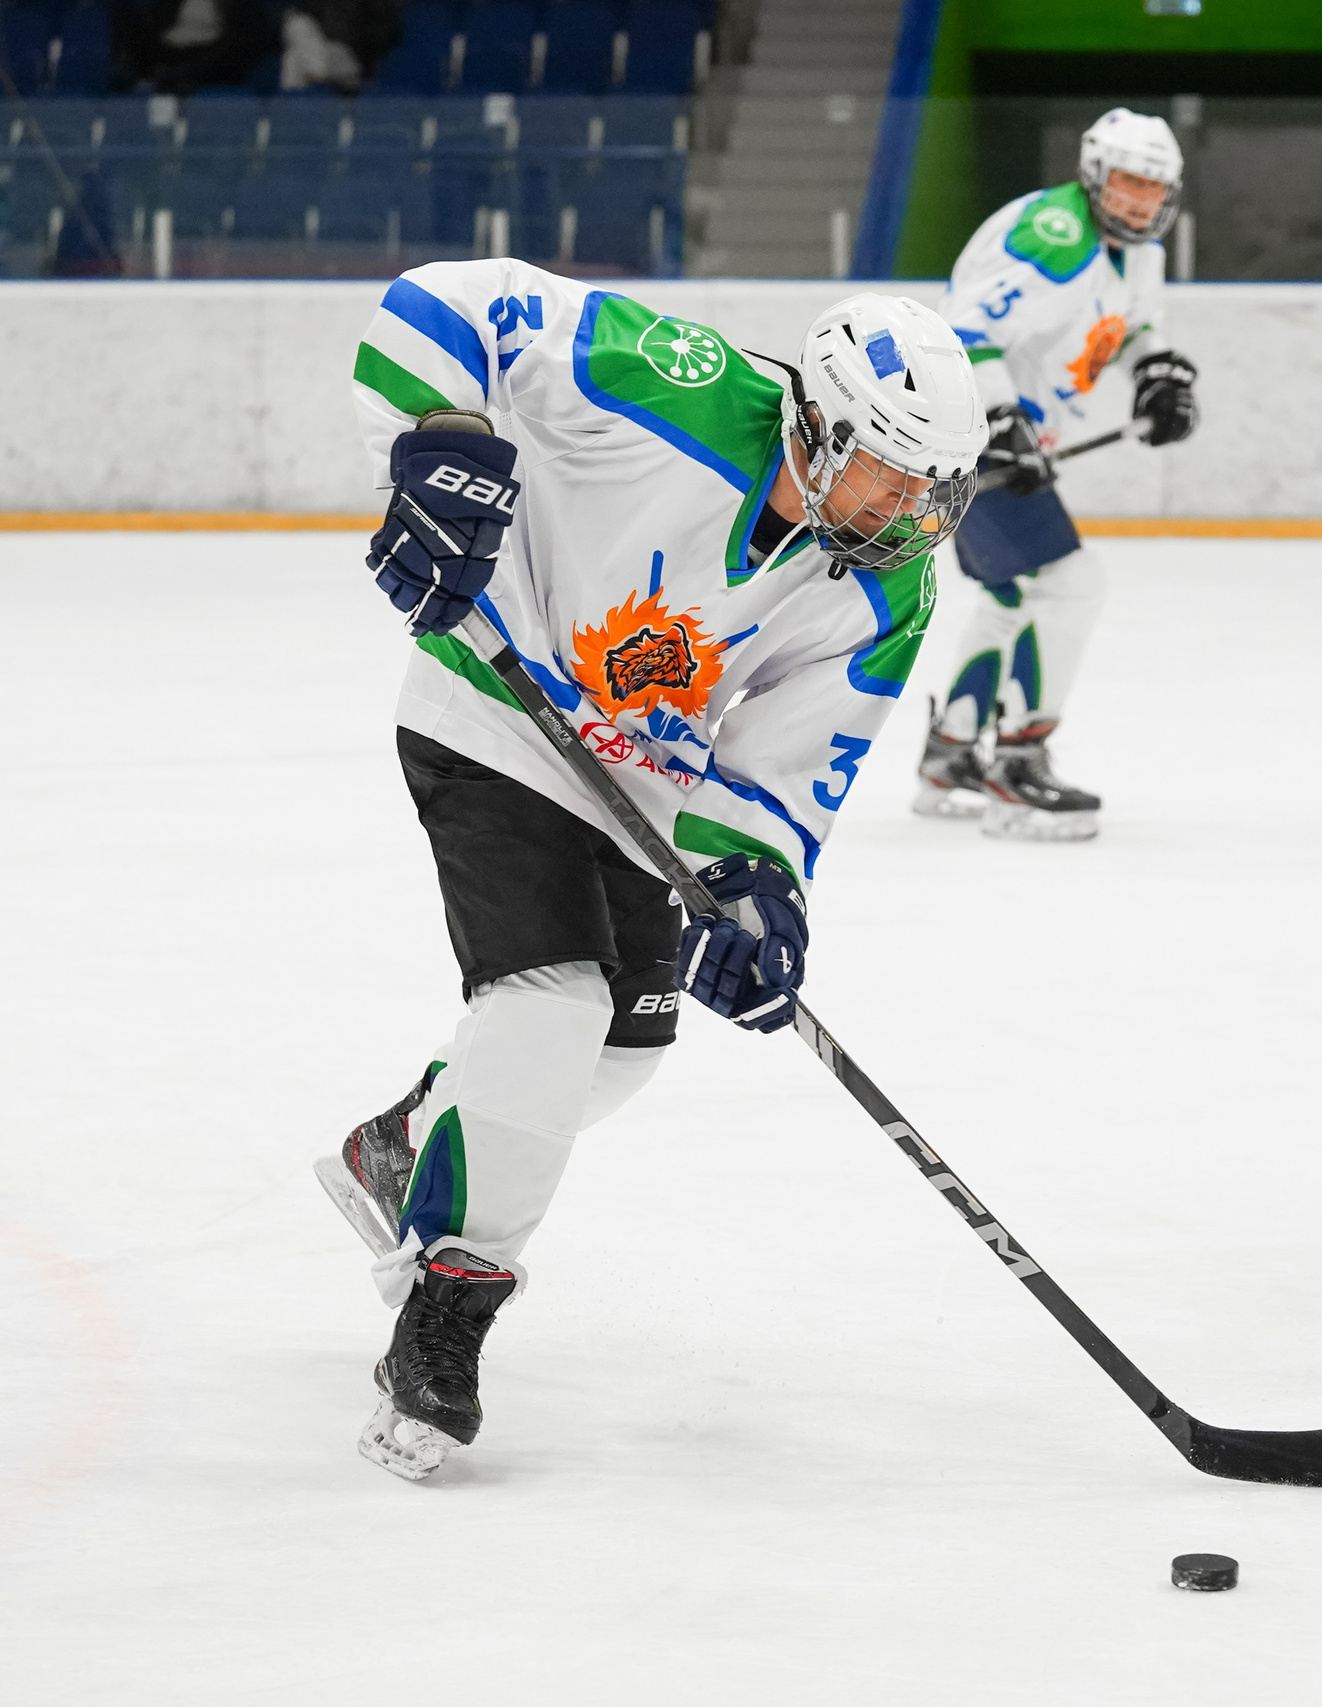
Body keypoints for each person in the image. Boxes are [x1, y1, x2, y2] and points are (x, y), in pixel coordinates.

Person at [320, 261, 986, 1478]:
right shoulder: (670, 382)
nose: (910, 507)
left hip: (638, 790)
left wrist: (755, 891)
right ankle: (446, 1303)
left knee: (621, 1054)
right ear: (817, 424)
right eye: (889, 468)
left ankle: (409, 1140)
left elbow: (792, 765)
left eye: (932, 485)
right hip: (491, 711)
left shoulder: (889, 585)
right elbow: (438, 307)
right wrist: (446, 442)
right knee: (549, 1003)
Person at [913, 107, 1201, 841]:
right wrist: (1002, 418)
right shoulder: (1052, 239)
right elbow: (966, 332)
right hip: (968, 439)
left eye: (1154, 187)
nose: (1140, 200)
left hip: (1007, 445)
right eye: (1130, 182)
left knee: (1014, 596)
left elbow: (1135, 328)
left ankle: (952, 753)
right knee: (1073, 582)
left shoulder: (1138, 253)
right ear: (1097, 176)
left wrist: (1155, 374)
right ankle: (1017, 762)